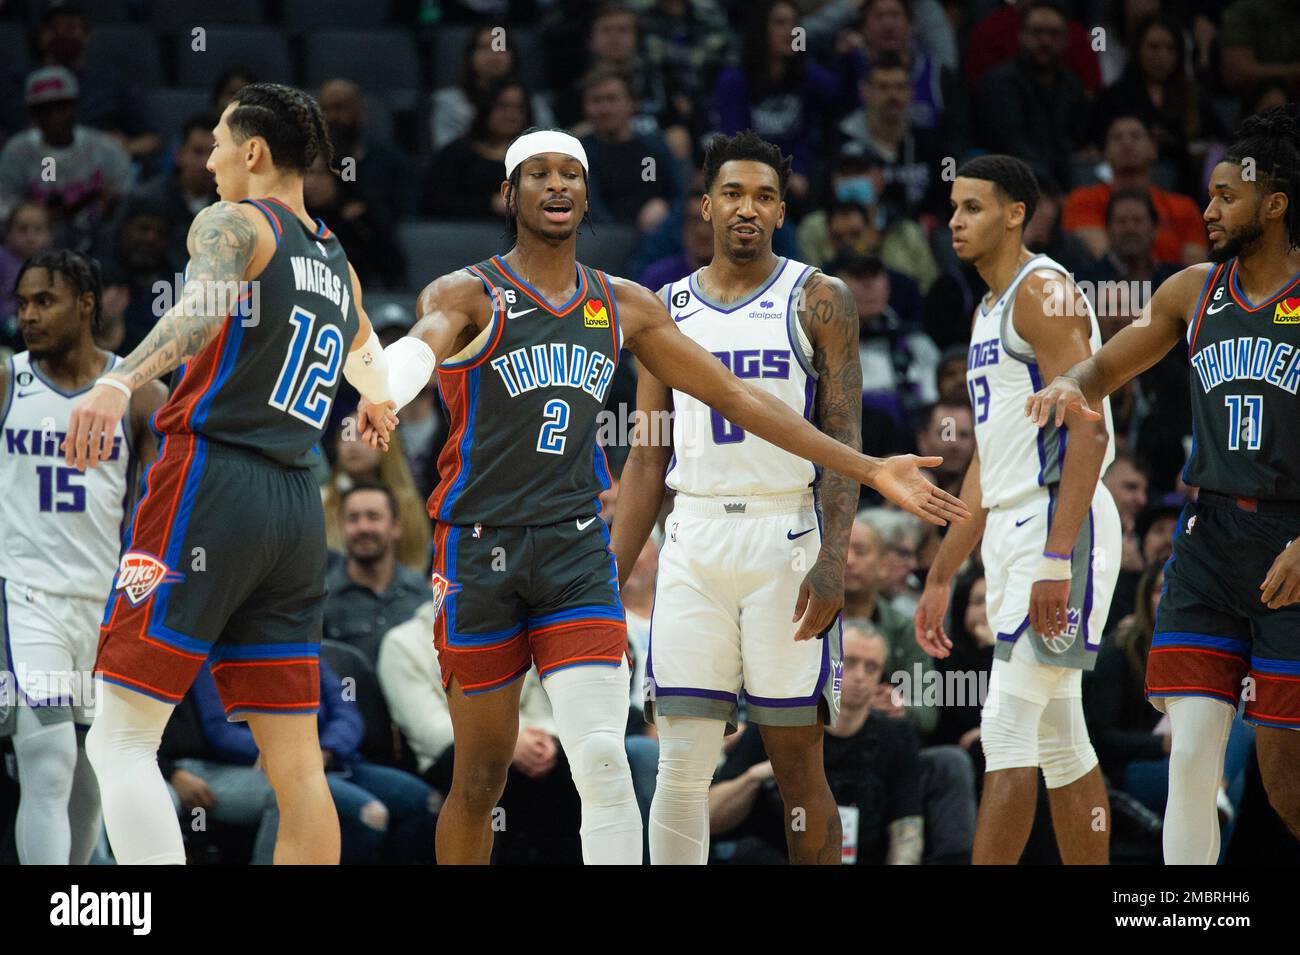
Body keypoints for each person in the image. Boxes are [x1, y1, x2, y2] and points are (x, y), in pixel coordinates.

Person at [359, 126, 968, 865]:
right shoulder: (465, 290)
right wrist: (383, 384)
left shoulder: (630, 306)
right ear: (508, 192)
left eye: (571, 175)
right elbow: (425, 335)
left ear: (587, 195)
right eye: (540, 174)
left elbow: (736, 396)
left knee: (607, 763)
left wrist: (867, 468)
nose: (558, 186)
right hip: (480, 545)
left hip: (579, 548)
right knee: (480, 776)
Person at [65, 83, 400, 865]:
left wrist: (119, 381)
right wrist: (377, 405)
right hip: (295, 503)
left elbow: (202, 310)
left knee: (119, 734)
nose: (210, 159)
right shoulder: (336, 259)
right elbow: (371, 369)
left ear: (252, 152)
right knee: (297, 763)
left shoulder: (234, 221)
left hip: (213, 480)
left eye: (219, 143)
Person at [1027, 107, 1300, 862]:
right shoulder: (1192, 290)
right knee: (1191, 754)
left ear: (1274, 205)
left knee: (1283, 773)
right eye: (1207, 195)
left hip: (1291, 545)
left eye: (1225, 196)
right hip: (1209, 540)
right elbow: (1109, 365)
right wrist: (1070, 385)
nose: (1208, 210)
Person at [609, 130, 863, 865]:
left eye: (762, 195)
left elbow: (844, 446)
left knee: (796, 770)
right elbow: (647, 454)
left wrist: (835, 558)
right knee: (681, 765)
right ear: (706, 205)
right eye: (731, 193)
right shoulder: (664, 306)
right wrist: (607, 581)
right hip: (691, 541)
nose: (746, 208)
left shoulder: (821, 298)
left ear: (782, 209)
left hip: (788, 538)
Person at [916, 154, 1123, 865]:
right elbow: (988, 457)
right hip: (1012, 519)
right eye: (951, 208)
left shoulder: (1045, 290)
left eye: (971, 207)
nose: (954, 221)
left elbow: (1089, 426)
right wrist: (944, 572)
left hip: (1060, 517)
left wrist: (1057, 556)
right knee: (1061, 739)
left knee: (1004, 726)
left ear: (1014, 214)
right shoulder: (987, 309)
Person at [0, 250, 165, 864]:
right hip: (23, 597)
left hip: (104, 603)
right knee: (48, 762)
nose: (28, 317)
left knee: (96, 766)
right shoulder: (6, 381)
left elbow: (161, 511)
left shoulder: (141, 393)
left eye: (44, 302)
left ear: (87, 305)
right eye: (21, 304)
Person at [709, 624, 925, 864]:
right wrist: (755, 776)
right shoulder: (777, 723)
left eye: (871, 667)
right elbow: (709, 819)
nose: (860, 676)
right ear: (829, 664)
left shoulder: (896, 734)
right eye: (850, 662)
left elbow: (907, 829)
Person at [0, 67, 132, 251]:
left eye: (61, 106)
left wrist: (111, 202)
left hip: (98, 243)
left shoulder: (106, 149)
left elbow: (127, 201)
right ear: (32, 114)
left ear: (75, 106)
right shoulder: (17, 151)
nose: (54, 116)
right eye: (44, 109)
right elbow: (5, 209)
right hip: (33, 249)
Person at [973, 1, 1090, 192]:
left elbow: (1078, 141)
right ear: (1022, 36)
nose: (1045, 41)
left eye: (1054, 33)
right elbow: (1012, 144)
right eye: (1037, 32)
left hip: (1064, 181)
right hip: (1007, 181)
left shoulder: (1072, 84)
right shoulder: (1000, 83)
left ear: (1066, 39)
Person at [1063, 114, 1207, 268]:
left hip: (1171, 289)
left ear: (1153, 148)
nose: (1127, 143)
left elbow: (1195, 270)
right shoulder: (1083, 200)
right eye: (1117, 138)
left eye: (1135, 136)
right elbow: (1105, 258)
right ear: (1104, 152)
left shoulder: (1184, 207)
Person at [322, 481, 431, 666]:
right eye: (353, 518)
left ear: (395, 526)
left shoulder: (423, 596)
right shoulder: (323, 599)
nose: (363, 527)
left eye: (373, 517)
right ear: (342, 527)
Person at [579, 67, 682, 233]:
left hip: (660, 234)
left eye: (612, 99)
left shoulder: (653, 146)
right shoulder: (580, 155)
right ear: (585, 107)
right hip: (608, 241)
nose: (605, 109)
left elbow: (677, 195)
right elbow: (594, 213)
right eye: (596, 101)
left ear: (632, 104)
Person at [321, 425, 431, 574]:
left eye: (362, 435)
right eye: (346, 436)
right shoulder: (321, 500)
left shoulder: (408, 503)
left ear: (387, 444)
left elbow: (417, 561)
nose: (352, 444)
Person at [430, 24, 555, 153]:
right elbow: (445, 153)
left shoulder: (533, 102)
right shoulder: (449, 102)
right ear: (470, 56)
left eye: (501, 48)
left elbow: (553, 149)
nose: (493, 56)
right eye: (484, 48)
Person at [422, 79, 533, 220]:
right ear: (486, 109)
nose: (511, 115)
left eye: (519, 108)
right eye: (502, 106)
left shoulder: (540, 155)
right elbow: (433, 203)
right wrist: (490, 204)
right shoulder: (455, 153)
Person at [127, 115, 219, 270]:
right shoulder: (146, 198)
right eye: (198, 152)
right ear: (179, 155)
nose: (206, 163)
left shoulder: (233, 204)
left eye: (213, 153)